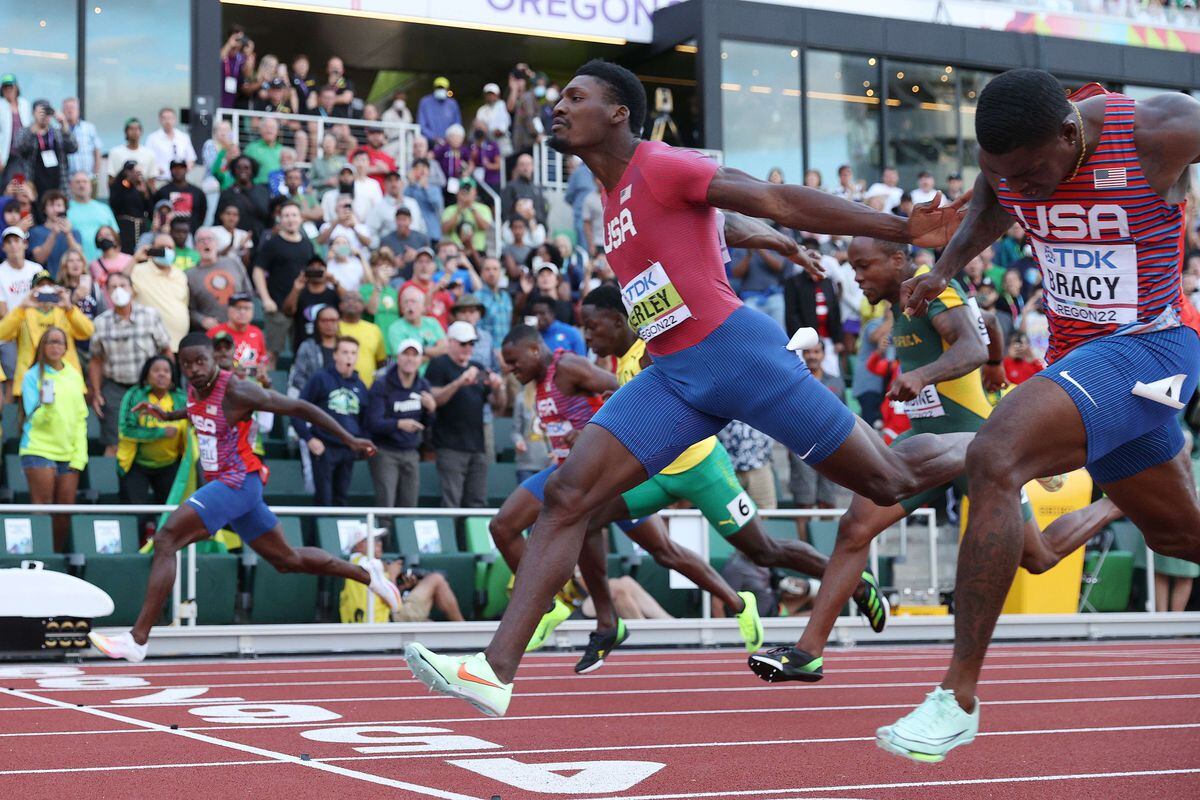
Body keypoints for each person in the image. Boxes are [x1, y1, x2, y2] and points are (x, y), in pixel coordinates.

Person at [403, 59, 969, 717]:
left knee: (889, 482)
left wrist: (900, 227)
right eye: (558, 98)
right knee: (567, 494)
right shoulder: (610, 202)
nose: (558, 107)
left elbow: (774, 199)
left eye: (575, 97)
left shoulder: (663, 164)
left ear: (618, 113)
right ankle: (493, 671)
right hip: (671, 377)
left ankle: (992, 444)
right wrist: (766, 241)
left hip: (737, 355)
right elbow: (725, 227)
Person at [879, 71, 1200, 762]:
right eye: (1002, 171)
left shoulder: (1159, 128)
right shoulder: (1014, 158)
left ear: (1068, 133)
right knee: (1179, 535)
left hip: (1153, 348)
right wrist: (947, 265)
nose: (1025, 185)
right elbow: (995, 199)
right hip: (1075, 358)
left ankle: (956, 699)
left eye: (1033, 172)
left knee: (994, 455)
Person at [755, 233, 1123, 688]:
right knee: (856, 527)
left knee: (1040, 557)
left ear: (897, 260)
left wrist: (937, 370)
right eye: (852, 267)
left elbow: (968, 342)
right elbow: (985, 319)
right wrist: (995, 365)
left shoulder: (933, 290)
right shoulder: (900, 304)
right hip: (928, 441)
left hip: (977, 446)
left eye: (865, 265)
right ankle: (807, 653)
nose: (857, 276)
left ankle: (1116, 504)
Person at [88, 333, 390, 661]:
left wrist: (349, 439)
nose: (194, 369)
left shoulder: (237, 390)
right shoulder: (194, 387)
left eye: (200, 361)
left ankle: (137, 639)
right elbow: (196, 410)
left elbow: (301, 407)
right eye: (186, 364)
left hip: (238, 481)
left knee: (165, 540)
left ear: (213, 359)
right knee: (287, 560)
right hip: (233, 487)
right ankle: (365, 574)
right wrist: (168, 416)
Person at [492, 323, 776, 670]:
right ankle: (604, 622)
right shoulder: (538, 385)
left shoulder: (567, 367)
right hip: (581, 481)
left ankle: (736, 604)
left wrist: (587, 431)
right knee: (627, 539)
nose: (510, 368)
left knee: (662, 550)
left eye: (513, 360)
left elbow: (624, 391)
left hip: (603, 472)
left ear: (534, 349)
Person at [18, 327, 87, 550]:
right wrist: (45, 405)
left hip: (69, 453)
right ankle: (40, 557)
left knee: (64, 511)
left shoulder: (74, 375)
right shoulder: (32, 376)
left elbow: (81, 418)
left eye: (60, 342)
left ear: (66, 347)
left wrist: (79, 456)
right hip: (38, 449)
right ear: (42, 347)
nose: (55, 347)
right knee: (43, 507)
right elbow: (33, 419)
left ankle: (55, 558)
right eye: (50, 342)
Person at [89, 272, 171, 456]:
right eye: (113, 287)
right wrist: (96, 392)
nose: (119, 290)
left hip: (147, 389)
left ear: (132, 289)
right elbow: (96, 360)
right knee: (114, 443)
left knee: (151, 441)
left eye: (123, 285)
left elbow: (165, 351)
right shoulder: (101, 323)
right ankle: (110, 484)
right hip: (115, 389)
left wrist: (168, 385)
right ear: (107, 293)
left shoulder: (150, 316)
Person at [427, 321, 505, 508]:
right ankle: (451, 538)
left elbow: (499, 407)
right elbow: (434, 400)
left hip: (477, 446)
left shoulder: (477, 366)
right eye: (463, 343)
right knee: (451, 501)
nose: (468, 348)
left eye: (471, 343)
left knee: (477, 502)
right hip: (449, 445)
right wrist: (459, 382)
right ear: (450, 342)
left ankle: (473, 538)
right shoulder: (439, 364)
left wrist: (498, 388)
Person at [294, 336, 370, 507]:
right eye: (344, 352)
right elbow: (297, 410)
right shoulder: (320, 378)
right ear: (335, 355)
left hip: (348, 449)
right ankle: (319, 534)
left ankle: (336, 533)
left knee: (342, 498)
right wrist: (309, 438)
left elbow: (365, 420)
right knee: (324, 499)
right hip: (324, 447)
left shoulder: (360, 385)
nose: (349, 357)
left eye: (353, 353)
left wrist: (361, 444)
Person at [366, 338, 436, 509]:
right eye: (406, 354)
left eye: (415, 355)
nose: (410, 359)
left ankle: (405, 536)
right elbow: (373, 422)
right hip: (385, 451)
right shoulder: (381, 384)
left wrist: (431, 410)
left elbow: (427, 424)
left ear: (421, 360)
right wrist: (398, 424)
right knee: (386, 506)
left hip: (411, 451)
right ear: (398, 357)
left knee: (410, 506)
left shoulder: (423, 385)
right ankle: (386, 536)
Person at [0, 270, 92, 397]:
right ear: (33, 290)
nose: (45, 289)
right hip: (32, 381)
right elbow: (2, 333)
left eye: (49, 285)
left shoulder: (66, 312)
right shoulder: (23, 314)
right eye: (40, 285)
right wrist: (22, 307)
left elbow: (88, 331)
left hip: (64, 378)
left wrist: (69, 307)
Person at [340, 528, 464, 623]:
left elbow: (377, 596)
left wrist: (404, 587)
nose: (379, 543)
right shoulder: (369, 563)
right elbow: (393, 602)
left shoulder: (354, 564)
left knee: (430, 626)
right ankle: (464, 629)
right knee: (436, 579)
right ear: (359, 545)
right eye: (374, 540)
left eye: (379, 540)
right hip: (386, 620)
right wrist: (392, 575)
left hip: (376, 619)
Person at [117, 354, 187, 509]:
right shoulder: (135, 395)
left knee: (170, 514)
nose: (161, 374)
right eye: (156, 370)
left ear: (172, 377)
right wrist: (160, 433)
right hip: (136, 464)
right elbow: (126, 430)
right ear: (147, 375)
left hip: (171, 464)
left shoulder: (181, 398)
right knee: (137, 516)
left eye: (166, 371)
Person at [252, 201, 315, 354]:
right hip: (277, 308)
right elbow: (258, 271)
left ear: (301, 218)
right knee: (272, 354)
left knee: (302, 352)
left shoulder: (307, 245)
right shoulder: (272, 243)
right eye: (286, 215)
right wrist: (266, 299)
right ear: (280, 219)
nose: (290, 219)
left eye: (294, 215)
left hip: (301, 309)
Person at [130, 233, 190, 351]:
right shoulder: (138, 270)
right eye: (161, 247)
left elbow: (184, 303)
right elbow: (119, 285)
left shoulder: (180, 275)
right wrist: (135, 259)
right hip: (150, 344)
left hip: (179, 344)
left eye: (170, 248)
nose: (166, 251)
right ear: (152, 249)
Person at [187, 227, 253, 331]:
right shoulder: (189, 275)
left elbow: (248, 293)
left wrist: (243, 314)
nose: (206, 243)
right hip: (210, 332)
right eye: (201, 240)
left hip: (239, 328)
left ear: (216, 244)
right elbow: (188, 309)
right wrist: (202, 320)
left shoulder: (234, 263)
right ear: (195, 247)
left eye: (210, 239)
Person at [13, 100, 76, 197]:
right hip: (34, 187)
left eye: (47, 112)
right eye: (41, 112)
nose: (45, 115)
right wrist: (34, 130)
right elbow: (19, 148)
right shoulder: (25, 131)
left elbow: (73, 148)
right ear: (33, 113)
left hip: (58, 186)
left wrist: (64, 124)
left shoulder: (58, 132)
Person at [28, 190, 83, 276]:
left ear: (65, 209)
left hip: (68, 280)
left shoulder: (74, 232)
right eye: (51, 205)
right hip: (45, 281)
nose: (55, 209)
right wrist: (53, 234)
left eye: (59, 205)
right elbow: (39, 258)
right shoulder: (36, 232)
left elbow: (79, 256)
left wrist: (68, 234)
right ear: (44, 209)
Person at [337, 292, 386, 387]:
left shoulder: (374, 329)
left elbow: (380, 361)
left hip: (368, 387)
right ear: (340, 306)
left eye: (357, 300)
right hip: (339, 388)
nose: (351, 302)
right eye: (347, 299)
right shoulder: (334, 327)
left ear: (363, 306)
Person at [67, 171, 118, 262]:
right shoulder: (65, 210)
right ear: (71, 186)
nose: (81, 185)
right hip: (77, 264)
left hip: (105, 263)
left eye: (85, 182)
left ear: (91, 186)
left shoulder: (104, 208)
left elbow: (116, 236)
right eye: (77, 182)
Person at [151, 160, 207, 233]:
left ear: (186, 170)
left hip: (191, 232)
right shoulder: (162, 191)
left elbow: (202, 212)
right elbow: (155, 211)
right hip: (168, 233)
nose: (178, 171)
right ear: (170, 170)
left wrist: (195, 227)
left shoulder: (197, 192)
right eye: (175, 168)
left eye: (181, 168)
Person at [145, 108, 196, 182]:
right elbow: (148, 159)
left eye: (170, 118)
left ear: (175, 119)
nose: (167, 121)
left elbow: (191, 158)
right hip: (161, 179)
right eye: (164, 118)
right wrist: (156, 170)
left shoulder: (184, 137)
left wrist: (186, 169)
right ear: (160, 120)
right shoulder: (153, 138)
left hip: (180, 181)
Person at [106, 119, 158, 192]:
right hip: (121, 194)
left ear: (141, 132)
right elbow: (111, 179)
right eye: (131, 129)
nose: (134, 132)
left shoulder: (149, 154)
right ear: (126, 132)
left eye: (137, 129)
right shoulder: (115, 152)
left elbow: (151, 181)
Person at [418, 77, 462, 144]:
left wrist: (450, 138)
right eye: (438, 88)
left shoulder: (452, 104)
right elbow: (422, 125)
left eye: (443, 88)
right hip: (429, 143)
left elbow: (457, 125)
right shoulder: (425, 102)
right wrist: (434, 137)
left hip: (449, 143)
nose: (441, 90)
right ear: (434, 88)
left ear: (447, 89)